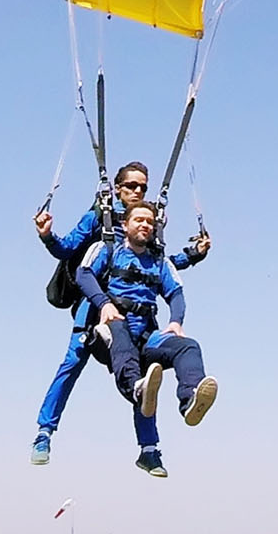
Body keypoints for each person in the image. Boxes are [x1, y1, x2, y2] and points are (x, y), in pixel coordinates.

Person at [28, 162, 210, 463]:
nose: (137, 191)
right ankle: (44, 433)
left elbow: (153, 267)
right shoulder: (99, 217)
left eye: (142, 187)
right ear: (117, 188)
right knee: (71, 365)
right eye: (131, 186)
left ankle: (149, 450)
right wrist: (48, 235)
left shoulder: (147, 223)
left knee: (143, 375)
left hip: (134, 316)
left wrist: (193, 255)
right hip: (94, 308)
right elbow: (68, 249)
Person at [82, 200, 215, 478]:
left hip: (147, 335)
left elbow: (175, 292)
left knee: (188, 346)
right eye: (139, 220)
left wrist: (176, 321)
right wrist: (103, 303)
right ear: (125, 225)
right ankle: (136, 388)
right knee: (121, 337)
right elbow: (83, 274)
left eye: (149, 221)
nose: (145, 224)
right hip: (110, 328)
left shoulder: (159, 262)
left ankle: (189, 398)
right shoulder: (108, 250)